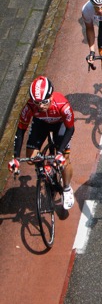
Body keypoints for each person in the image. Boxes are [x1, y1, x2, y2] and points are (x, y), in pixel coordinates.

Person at [8, 77, 76, 210]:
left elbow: (70, 128)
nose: (40, 106)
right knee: (30, 158)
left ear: (51, 96)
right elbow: (21, 130)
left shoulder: (63, 104)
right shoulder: (29, 107)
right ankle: (44, 168)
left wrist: (61, 152)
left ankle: (67, 188)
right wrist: (15, 157)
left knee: (64, 161)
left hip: (60, 124)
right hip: (41, 124)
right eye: (36, 103)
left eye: (44, 102)